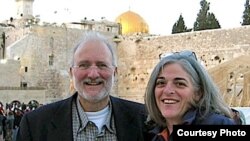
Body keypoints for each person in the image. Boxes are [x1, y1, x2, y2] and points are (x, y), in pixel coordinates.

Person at [16, 31, 147, 141]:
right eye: (84, 65)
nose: (93, 74)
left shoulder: (144, 121)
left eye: (102, 65)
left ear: (115, 72)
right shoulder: (35, 125)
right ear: (71, 72)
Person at [144, 50, 235, 141]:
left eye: (180, 84)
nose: (167, 91)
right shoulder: (153, 135)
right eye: (161, 83)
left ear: (198, 93)